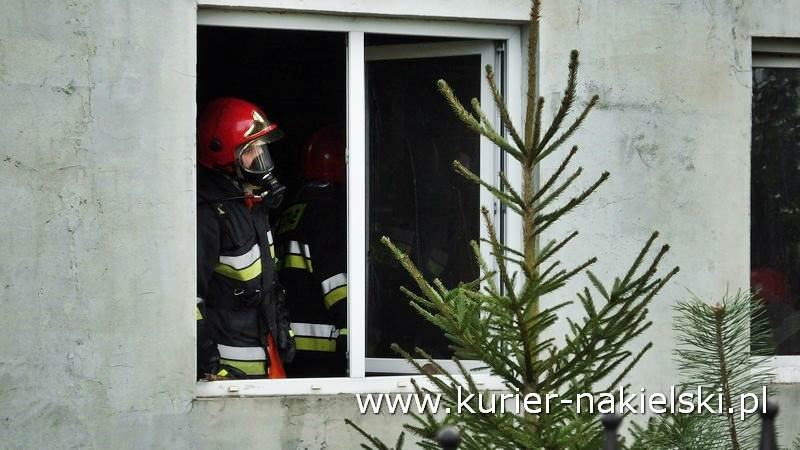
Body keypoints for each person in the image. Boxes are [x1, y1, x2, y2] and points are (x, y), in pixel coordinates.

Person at [196, 97, 295, 379]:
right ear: (225, 154)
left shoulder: (251, 204)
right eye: (251, 150)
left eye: (262, 148)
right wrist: (210, 367)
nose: (261, 158)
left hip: (267, 360)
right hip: (231, 376)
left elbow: (269, 286)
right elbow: (188, 301)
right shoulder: (208, 213)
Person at [276, 125, 348, 377]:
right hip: (321, 342)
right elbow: (333, 278)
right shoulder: (327, 211)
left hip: (292, 341)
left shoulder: (293, 207)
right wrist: (353, 325)